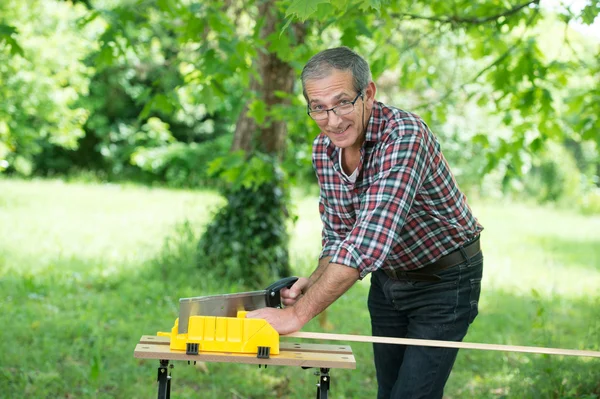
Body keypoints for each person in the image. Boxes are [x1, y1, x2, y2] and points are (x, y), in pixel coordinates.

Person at [247, 46, 484, 399]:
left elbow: (366, 244)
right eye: (318, 107)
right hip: (389, 282)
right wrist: (312, 284)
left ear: (368, 94)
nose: (332, 119)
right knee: (388, 393)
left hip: (445, 282)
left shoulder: (405, 137)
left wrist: (296, 317)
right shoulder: (324, 150)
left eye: (343, 102)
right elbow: (340, 234)